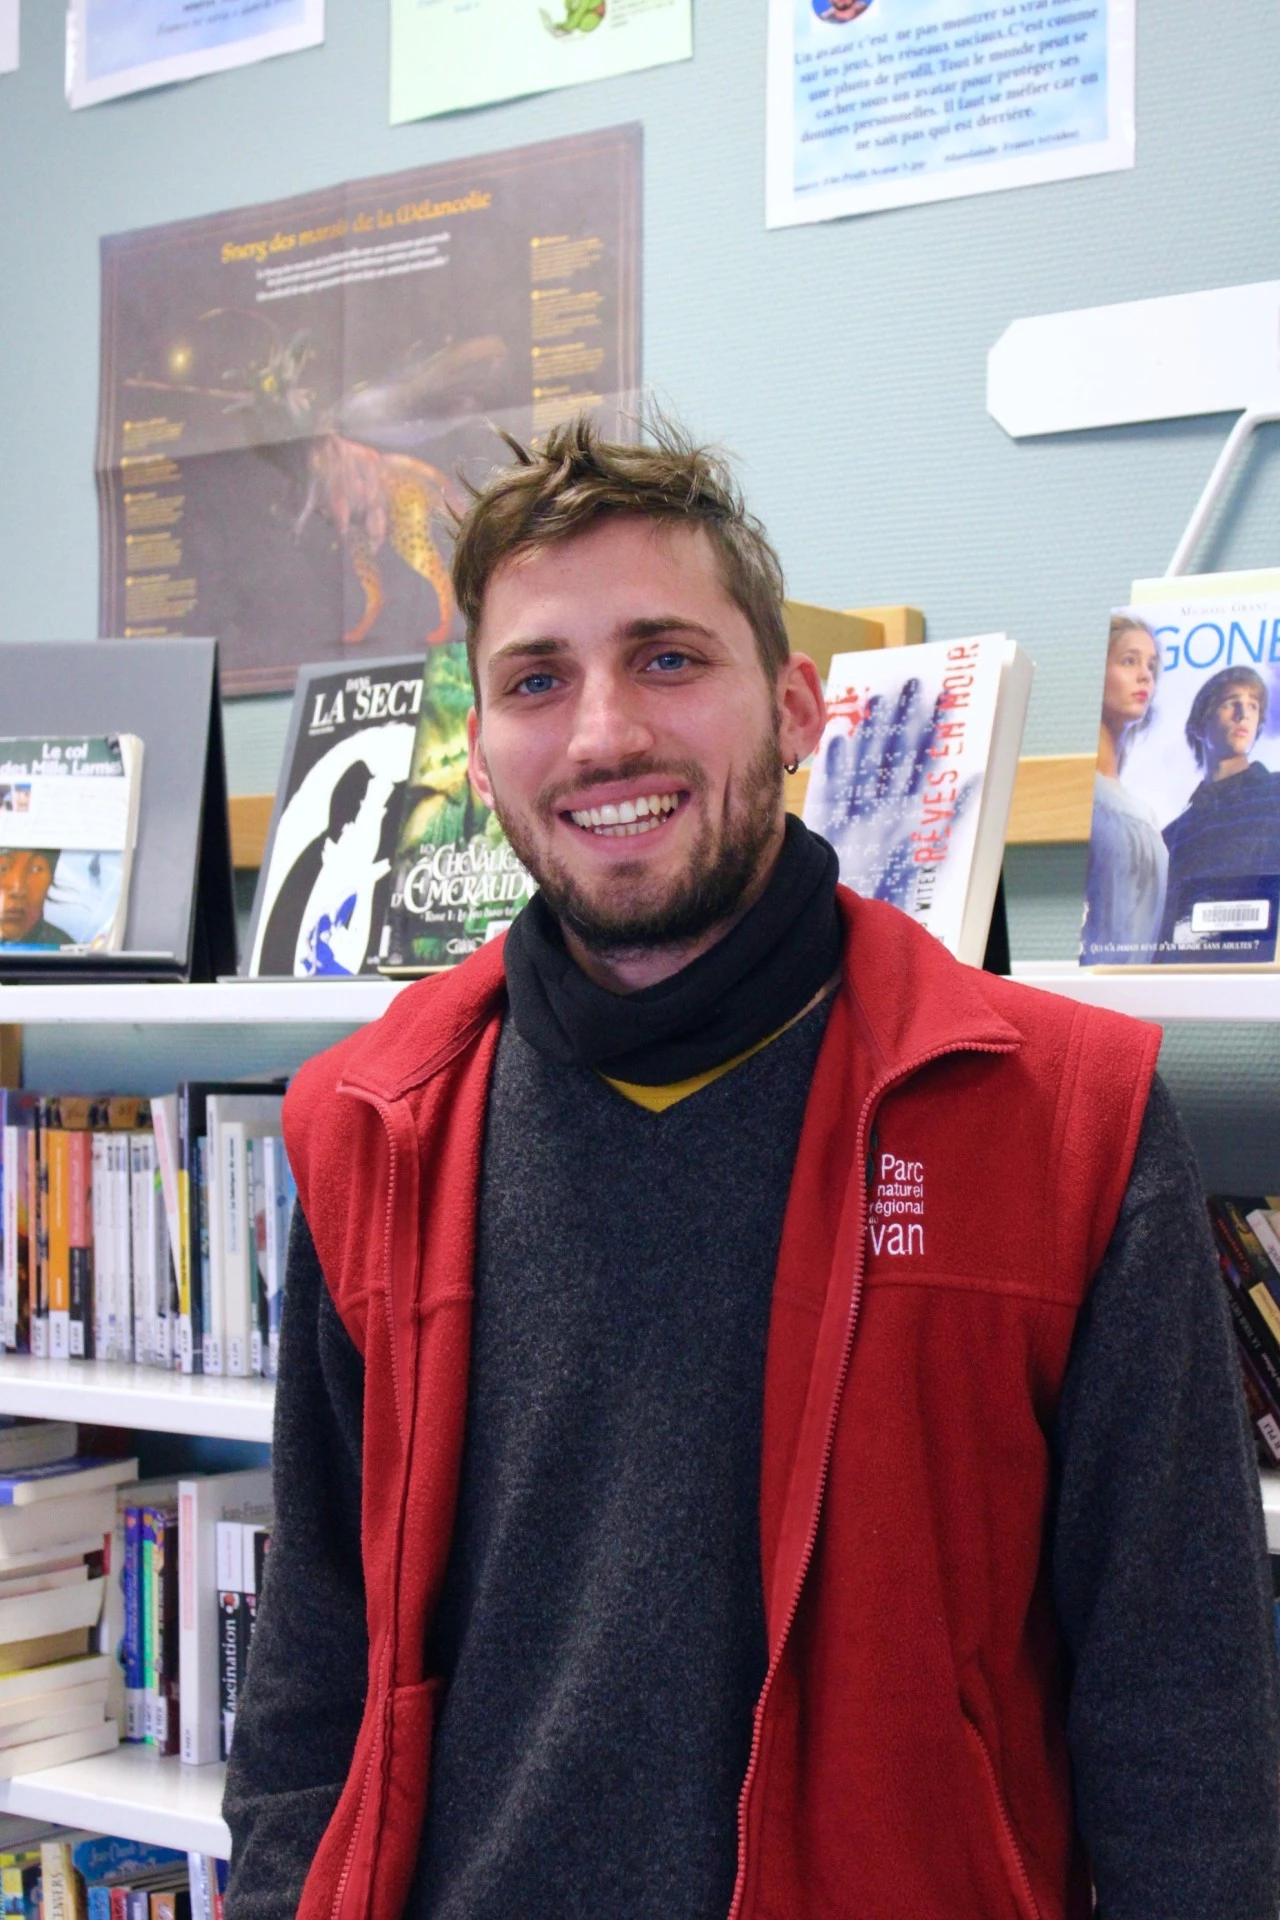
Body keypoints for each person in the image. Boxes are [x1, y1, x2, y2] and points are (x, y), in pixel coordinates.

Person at [224, 417, 1280, 1920]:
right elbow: (314, 1673)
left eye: (668, 658)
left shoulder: (1066, 1123)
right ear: (481, 746)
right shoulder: (369, 1128)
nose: (603, 735)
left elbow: (1187, 1720)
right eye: (537, 679)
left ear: (795, 707)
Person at [1158, 664, 1280, 956]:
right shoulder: (1173, 834)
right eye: (1230, 703)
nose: (1243, 714)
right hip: (1184, 979)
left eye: (1252, 706)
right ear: (1200, 725)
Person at [1081, 615, 1167, 963]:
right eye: (1129, 661)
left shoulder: (1144, 813)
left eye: (1151, 665)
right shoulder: (1083, 796)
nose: (1145, 674)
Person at [0, 849, 71, 947]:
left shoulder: (65, 950)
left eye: (36, 869)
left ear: (51, 878)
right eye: (2, 868)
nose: (18, 890)